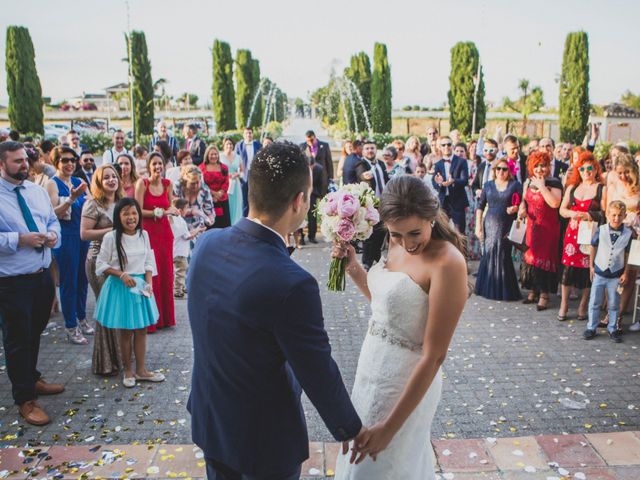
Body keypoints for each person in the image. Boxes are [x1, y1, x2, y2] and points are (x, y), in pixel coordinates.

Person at [187, 142, 366, 480]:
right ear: (299, 200)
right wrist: (350, 428)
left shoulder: (207, 244)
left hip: (212, 420)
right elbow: (317, 370)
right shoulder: (293, 284)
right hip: (264, 440)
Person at [332, 175, 467, 479]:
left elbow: (434, 356)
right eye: (396, 234)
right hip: (370, 370)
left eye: (415, 233)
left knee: (380, 466)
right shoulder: (394, 241)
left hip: (407, 381)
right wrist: (354, 269)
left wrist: (390, 429)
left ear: (432, 217)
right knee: (357, 464)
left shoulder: (447, 263)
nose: (407, 244)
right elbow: (389, 309)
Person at [0, 141, 64, 426]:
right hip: (12, 282)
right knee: (17, 340)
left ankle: (32, 377)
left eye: (25, 160)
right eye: (16, 161)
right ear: (1, 164)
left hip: (40, 277)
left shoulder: (37, 191)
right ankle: (24, 399)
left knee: (35, 331)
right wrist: (19, 240)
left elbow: (53, 220)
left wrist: (52, 235)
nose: (24, 165)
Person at [94, 197, 165, 387]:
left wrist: (148, 282)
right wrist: (120, 274)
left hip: (140, 287)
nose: (131, 217)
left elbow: (149, 260)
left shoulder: (144, 234)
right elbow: (100, 265)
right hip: (121, 287)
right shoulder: (111, 237)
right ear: (118, 216)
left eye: (134, 213)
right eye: (126, 213)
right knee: (125, 331)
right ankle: (128, 371)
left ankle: (141, 370)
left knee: (141, 330)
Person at [46, 147, 93, 344]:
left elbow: (91, 205)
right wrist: (72, 198)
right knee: (69, 281)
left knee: (83, 279)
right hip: (66, 236)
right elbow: (53, 212)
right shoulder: (52, 183)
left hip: (82, 234)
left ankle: (81, 317)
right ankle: (71, 325)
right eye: (65, 160)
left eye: (73, 160)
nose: (70, 164)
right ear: (56, 162)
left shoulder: (79, 181)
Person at [80, 164, 124, 376]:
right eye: (106, 177)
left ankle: (119, 356)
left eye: (113, 176)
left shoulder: (122, 202)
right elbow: (85, 234)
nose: (111, 180)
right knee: (106, 308)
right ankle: (105, 362)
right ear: (99, 181)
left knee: (117, 308)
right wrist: (113, 230)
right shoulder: (92, 205)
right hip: (99, 261)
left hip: (120, 261)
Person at [557, 152, 605, 322]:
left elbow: (604, 213)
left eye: (590, 168)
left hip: (590, 233)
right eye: (582, 168)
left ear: (595, 168)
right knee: (568, 269)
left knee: (587, 270)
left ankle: (583, 306)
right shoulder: (572, 187)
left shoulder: (601, 188)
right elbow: (562, 210)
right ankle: (564, 305)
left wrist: (589, 215)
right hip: (572, 233)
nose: (586, 171)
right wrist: (573, 213)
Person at [135, 152, 177, 332]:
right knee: (151, 273)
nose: (158, 167)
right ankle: (152, 319)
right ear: (148, 166)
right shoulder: (142, 183)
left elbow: (170, 206)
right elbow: (136, 210)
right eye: (155, 164)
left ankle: (166, 318)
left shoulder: (168, 184)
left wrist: (173, 210)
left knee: (166, 274)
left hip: (164, 233)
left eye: (160, 164)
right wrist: (157, 213)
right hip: (148, 232)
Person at [518, 151, 563, 311]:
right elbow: (524, 201)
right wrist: (521, 210)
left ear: (548, 167)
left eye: (542, 166)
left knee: (544, 260)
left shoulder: (554, 182)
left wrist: (542, 186)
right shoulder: (528, 182)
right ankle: (533, 290)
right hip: (532, 227)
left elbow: (555, 203)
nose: (539, 169)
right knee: (531, 259)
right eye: (536, 166)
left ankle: (544, 295)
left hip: (548, 229)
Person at [584, 201, 632, 343]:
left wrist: (626, 272)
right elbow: (593, 246)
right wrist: (591, 266)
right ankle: (591, 327)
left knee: (614, 303)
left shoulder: (629, 234)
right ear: (608, 214)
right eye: (613, 215)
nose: (616, 218)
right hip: (599, 271)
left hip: (616, 274)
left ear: (625, 216)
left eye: (619, 215)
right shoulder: (601, 229)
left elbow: (628, 254)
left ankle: (612, 328)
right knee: (595, 301)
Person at [475, 158, 523, 300]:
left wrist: (516, 208)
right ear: (494, 171)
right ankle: (488, 288)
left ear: (509, 171)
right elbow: (480, 206)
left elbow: (522, 204)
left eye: (505, 169)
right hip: (489, 224)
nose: (501, 172)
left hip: (506, 224)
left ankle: (504, 290)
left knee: (503, 253)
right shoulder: (488, 185)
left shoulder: (515, 185)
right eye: (499, 169)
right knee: (489, 252)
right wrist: (478, 226)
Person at [603, 154, 640, 328]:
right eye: (620, 173)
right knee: (613, 275)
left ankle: (618, 316)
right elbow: (608, 211)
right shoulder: (614, 186)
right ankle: (609, 313)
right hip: (616, 234)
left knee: (629, 276)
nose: (624, 176)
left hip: (635, 236)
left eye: (627, 172)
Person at [355, 140, 389, 270]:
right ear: (363, 151)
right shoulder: (361, 164)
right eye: (367, 148)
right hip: (369, 205)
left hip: (383, 203)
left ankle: (376, 256)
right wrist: (365, 176)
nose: (370, 150)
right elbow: (361, 174)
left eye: (372, 148)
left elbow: (386, 180)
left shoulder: (380, 163)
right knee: (369, 234)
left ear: (376, 150)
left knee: (381, 232)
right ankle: (366, 262)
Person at [432, 136, 469, 233]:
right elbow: (434, 183)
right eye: (443, 145)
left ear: (452, 146)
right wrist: (439, 184)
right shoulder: (438, 164)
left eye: (448, 144)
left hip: (458, 201)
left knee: (460, 232)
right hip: (444, 202)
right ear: (440, 147)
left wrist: (453, 181)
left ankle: (461, 249)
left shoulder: (461, 161)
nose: (446, 147)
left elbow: (465, 180)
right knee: (441, 232)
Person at [170, 198, 205, 298]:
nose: (188, 210)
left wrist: (197, 230)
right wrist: (198, 230)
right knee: (180, 271)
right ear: (180, 210)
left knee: (181, 270)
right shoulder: (180, 221)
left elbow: (186, 234)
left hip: (175, 251)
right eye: (186, 208)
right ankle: (177, 290)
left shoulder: (176, 220)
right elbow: (188, 236)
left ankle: (182, 286)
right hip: (180, 252)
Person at [200, 145, 231, 228]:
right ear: (207, 155)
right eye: (211, 154)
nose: (214, 156)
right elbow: (202, 184)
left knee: (224, 224)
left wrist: (220, 193)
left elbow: (226, 181)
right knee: (210, 224)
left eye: (215, 154)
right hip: (207, 200)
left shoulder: (224, 167)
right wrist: (213, 194)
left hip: (222, 199)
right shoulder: (201, 168)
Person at [235, 127, 262, 216]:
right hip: (244, 176)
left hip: (256, 175)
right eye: (246, 133)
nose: (248, 135)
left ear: (252, 134)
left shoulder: (257, 144)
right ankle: (244, 218)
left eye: (250, 133)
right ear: (243, 135)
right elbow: (236, 160)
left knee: (256, 198)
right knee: (244, 199)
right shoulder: (239, 145)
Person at [300, 130, 333, 194]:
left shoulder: (325, 145)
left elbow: (329, 162)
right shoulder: (302, 146)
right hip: (309, 178)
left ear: (315, 137)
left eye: (312, 140)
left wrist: (330, 178)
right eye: (308, 141)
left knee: (322, 196)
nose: (310, 142)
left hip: (322, 177)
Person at [219, 138, 244, 225]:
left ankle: (236, 224)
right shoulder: (220, 157)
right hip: (225, 183)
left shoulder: (238, 157)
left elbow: (242, 171)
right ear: (224, 146)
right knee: (227, 204)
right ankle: (227, 224)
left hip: (235, 184)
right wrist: (226, 175)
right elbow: (218, 170)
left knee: (237, 204)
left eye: (231, 144)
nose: (229, 146)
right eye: (227, 144)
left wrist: (237, 174)